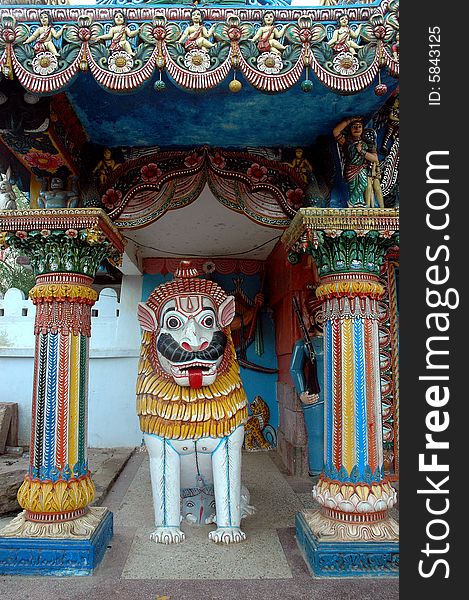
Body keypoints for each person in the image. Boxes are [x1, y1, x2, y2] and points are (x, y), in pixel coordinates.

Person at [289, 292, 324, 476]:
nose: (323, 319)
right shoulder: (302, 343)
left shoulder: (338, 341)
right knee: (317, 435)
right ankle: (317, 472)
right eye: (319, 315)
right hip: (315, 397)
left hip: (337, 395)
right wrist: (302, 392)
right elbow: (295, 369)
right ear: (311, 318)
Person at [333, 116, 380, 208]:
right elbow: (336, 132)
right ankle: (355, 203)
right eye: (354, 127)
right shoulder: (347, 143)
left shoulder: (366, 143)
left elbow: (375, 158)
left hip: (362, 167)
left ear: (363, 129)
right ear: (350, 129)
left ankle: (352, 202)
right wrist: (350, 120)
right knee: (353, 186)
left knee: (363, 184)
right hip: (351, 168)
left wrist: (361, 151)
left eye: (359, 126)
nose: (357, 129)